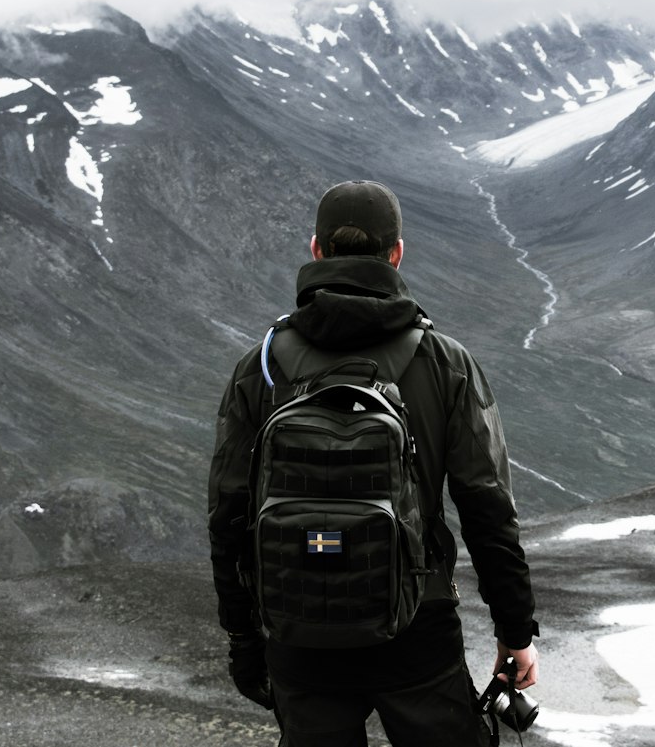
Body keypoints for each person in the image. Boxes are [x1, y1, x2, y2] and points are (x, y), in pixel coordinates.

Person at [208, 179, 539, 746]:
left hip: (298, 632)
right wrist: (516, 631)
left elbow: (228, 514)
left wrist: (244, 638)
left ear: (316, 250)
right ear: (397, 253)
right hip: (418, 629)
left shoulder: (258, 367)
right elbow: (487, 507)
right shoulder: (445, 361)